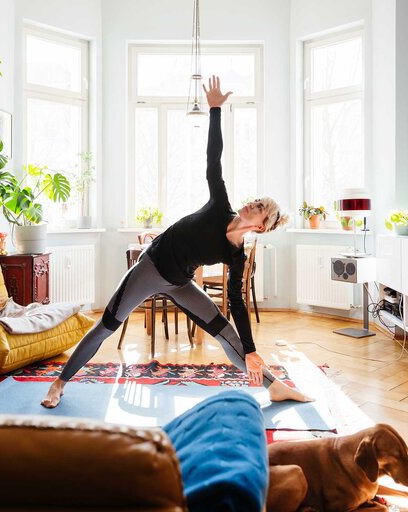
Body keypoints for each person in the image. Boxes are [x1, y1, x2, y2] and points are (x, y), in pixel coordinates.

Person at [41, 75, 313, 408]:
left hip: (180, 283)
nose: (252, 204)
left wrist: (253, 350)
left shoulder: (237, 255)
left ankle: (274, 386)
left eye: (259, 208)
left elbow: (237, 303)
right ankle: (59, 383)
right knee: (106, 326)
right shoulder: (220, 206)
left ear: (261, 226)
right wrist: (215, 111)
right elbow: (214, 161)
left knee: (227, 333)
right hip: (151, 267)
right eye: (255, 200)